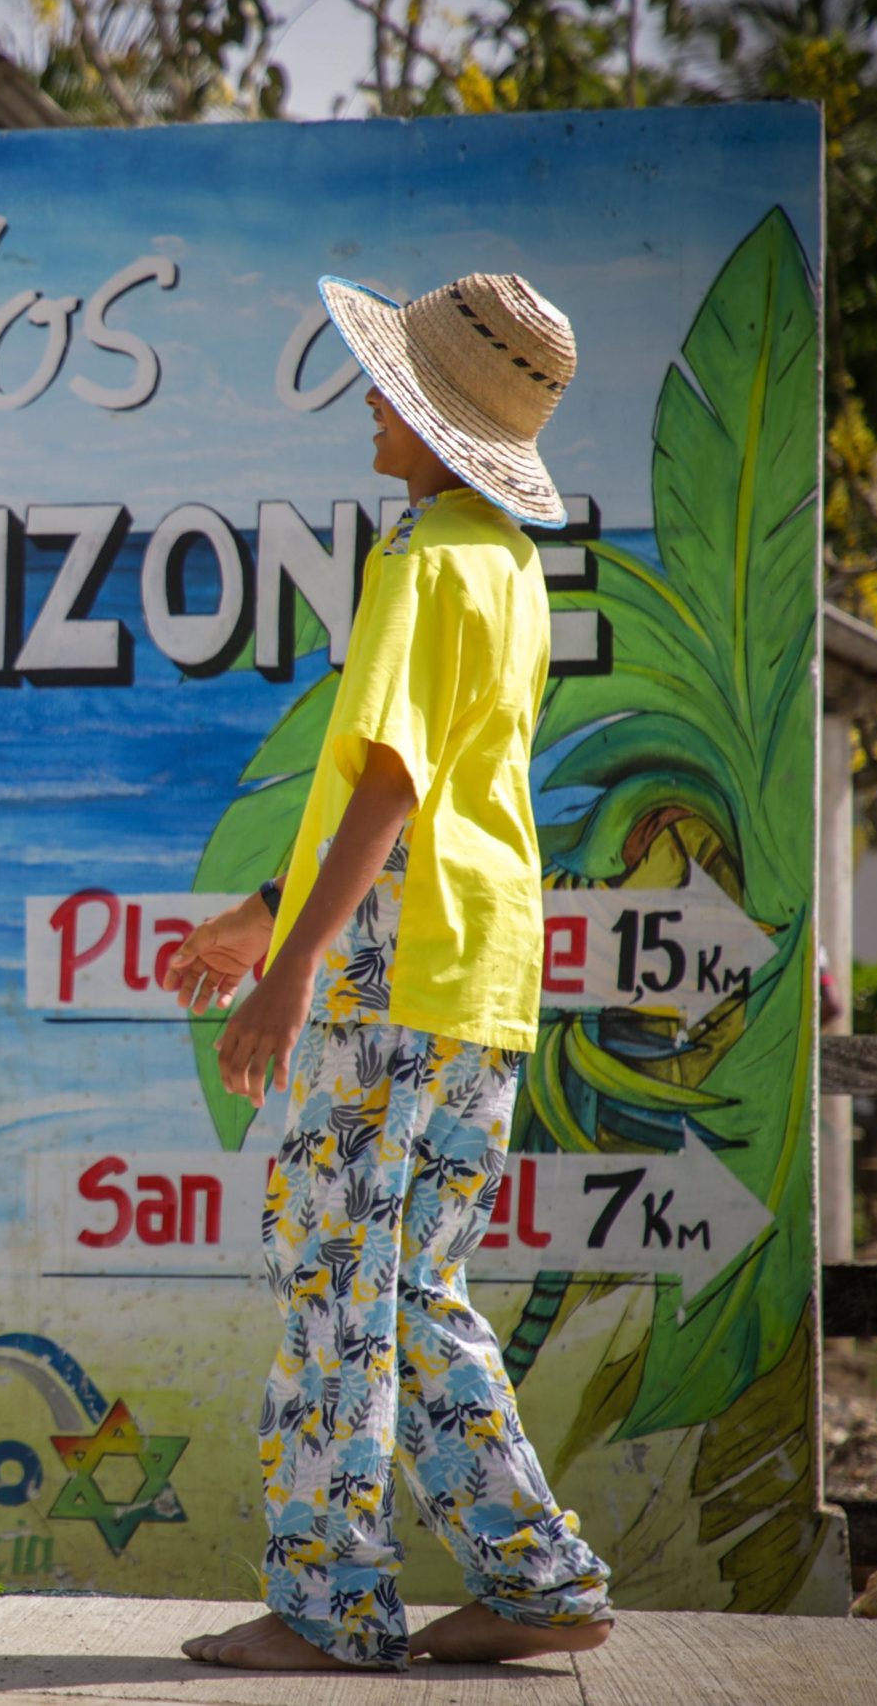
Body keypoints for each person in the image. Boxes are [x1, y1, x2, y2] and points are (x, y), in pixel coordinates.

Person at [164, 274, 614, 1671]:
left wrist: (289, 967)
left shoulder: (425, 559)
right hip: (478, 960)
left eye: (388, 381)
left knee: (332, 1278)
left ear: (435, 417)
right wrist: (263, 911)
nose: (368, 396)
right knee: (410, 1285)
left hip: (388, 966)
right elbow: (433, 784)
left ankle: (327, 1600)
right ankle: (539, 1578)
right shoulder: (509, 564)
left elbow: (392, 784)